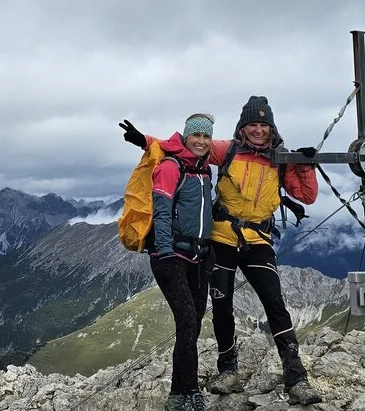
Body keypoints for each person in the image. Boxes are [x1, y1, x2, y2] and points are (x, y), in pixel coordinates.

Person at [119, 96, 324, 405]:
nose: (257, 130)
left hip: (257, 241)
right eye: (252, 124)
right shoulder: (227, 150)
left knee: (275, 304)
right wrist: (145, 141)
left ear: (272, 128)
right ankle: (228, 371)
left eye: (263, 125)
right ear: (243, 127)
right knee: (223, 305)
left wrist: (304, 164)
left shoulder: (281, 157)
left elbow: (306, 195)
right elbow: (186, 146)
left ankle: (296, 376)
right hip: (221, 238)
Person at [144, 113, 217, 411]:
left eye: (206, 136)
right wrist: (165, 252)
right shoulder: (170, 168)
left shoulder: (205, 171)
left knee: (193, 324)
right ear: (186, 137)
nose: (201, 141)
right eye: (196, 135)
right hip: (171, 256)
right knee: (187, 321)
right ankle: (190, 391)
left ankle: (178, 391)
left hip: (200, 257)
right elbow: (161, 212)